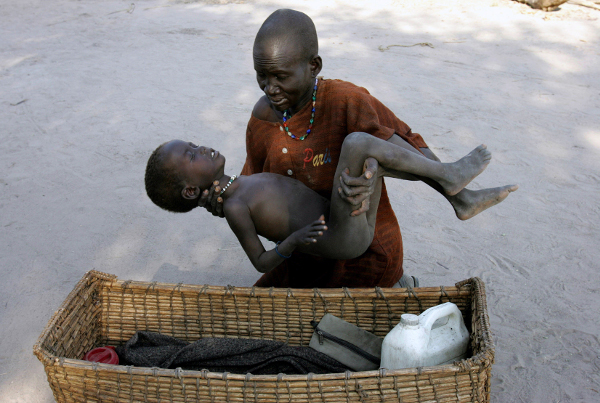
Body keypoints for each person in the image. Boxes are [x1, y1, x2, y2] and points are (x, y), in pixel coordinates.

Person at [197, 9, 517, 288]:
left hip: (364, 248)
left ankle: (455, 191)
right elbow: (253, 184)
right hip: (307, 253)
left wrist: (370, 170)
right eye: (261, 75)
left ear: (314, 66)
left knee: (364, 145)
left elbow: (403, 143)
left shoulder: (346, 100)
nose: (270, 87)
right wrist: (223, 199)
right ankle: (458, 193)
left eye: (280, 76)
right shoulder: (262, 120)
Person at [145, 133, 513, 275]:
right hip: (342, 237)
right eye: (192, 155)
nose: (202, 148)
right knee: (355, 143)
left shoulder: (236, 187)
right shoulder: (235, 208)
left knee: (372, 155)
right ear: (191, 191)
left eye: (193, 143)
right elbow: (260, 262)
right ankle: (448, 178)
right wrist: (292, 242)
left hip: (345, 217)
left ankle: (459, 197)